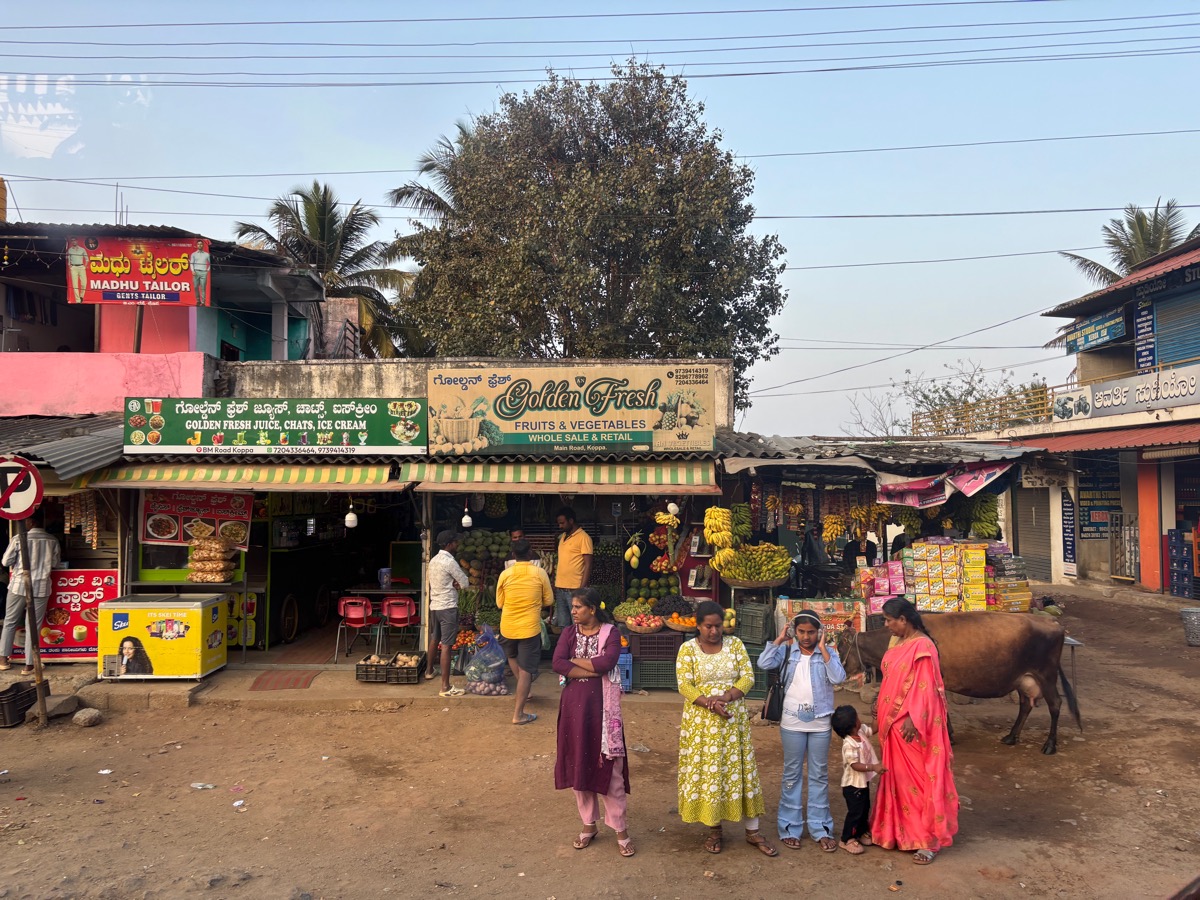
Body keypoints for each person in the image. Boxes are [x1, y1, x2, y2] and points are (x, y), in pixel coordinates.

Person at [676, 600, 776, 857]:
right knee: (712, 773)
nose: (714, 631)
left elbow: (748, 677)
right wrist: (709, 703)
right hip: (702, 725)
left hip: (733, 722)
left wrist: (728, 697)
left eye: (718, 626)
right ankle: (714, 830)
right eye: (708, 626)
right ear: (698, 626)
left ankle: (753, 831)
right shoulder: (687, 650)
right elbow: (685, 685)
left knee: (740, 770)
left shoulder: (736, 645)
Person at [872, 597, 959, 865]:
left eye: (889, 620)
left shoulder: (923, 646)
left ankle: (927, 840)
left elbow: (927, 688)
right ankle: (896, 833)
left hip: (912, 726)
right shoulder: (898, 643)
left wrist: (911, 718)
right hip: (891, 726)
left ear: (904, 620)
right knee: (896, 779)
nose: (886, 625)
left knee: (920, 781)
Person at [756, 610, 847, 851]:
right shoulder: (787, 652)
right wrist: (779, 639)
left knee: (819, 775)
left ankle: (821, 828)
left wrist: (825, 649)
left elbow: (838, 678)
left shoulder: (829, 654)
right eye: (801, 632)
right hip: (791, 723)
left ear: (819, 632)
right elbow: (763, 663)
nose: (806, 637)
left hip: (820, 724)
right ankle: (789, 826)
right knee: (791, 774)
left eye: (811, 632)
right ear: (794, 632)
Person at [552, 588, 634, 857]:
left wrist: (575, 663)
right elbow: (557, 663)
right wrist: (589, 667)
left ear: (592, 609)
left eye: (578, 607)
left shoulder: (611, 632)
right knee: (579, 765)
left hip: (603, 709)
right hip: (575, 708)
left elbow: (608, 662)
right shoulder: (568, 633)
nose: (573, 611)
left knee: (610, 768)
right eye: (573, 607)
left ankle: (620, 829)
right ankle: (588, 825)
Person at [496, 538, 553, 725]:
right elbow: (549, 601)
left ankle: (525, 690)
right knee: (526, 670)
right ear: (530, 554)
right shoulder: (540, 573)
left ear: (513, 555)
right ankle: (518, 714)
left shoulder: (505, 574)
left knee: (512, 657)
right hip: (529, 627)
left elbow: (499, 603)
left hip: (508, 627)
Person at [0, 509, 62, 674]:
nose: (24, 524)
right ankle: (29, 665)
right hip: (41, 587)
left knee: (10, 621)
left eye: (26, 521)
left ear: (31, 522)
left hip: (19, 584)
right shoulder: (52, 540)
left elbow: (6, 561)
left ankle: (3, 660)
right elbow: (55, 563)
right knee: (33, 625)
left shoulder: (19, 538)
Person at [832, 704, 885, 855]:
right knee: (855, 812)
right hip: (852, 786)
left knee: (864, 808)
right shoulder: (849, 744)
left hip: (862, 783)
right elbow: (854, 765)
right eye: (857, 717)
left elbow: (874, 729)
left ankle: (861, 833)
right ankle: (847, 838)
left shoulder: (860, 732)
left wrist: (876, 716)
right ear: (854, 723)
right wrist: (873, 767)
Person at [426, 529, 470, 697]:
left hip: (435, 606)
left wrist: (451, 583)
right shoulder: (450, 562)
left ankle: (429, 671)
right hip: (448, 607)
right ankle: (445, 687)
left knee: (434, 638)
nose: (457, 545)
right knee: (447, 645)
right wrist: (456, 584)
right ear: (450, 544)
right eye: (455, 542)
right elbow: (465, 583)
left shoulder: (433, 561)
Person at [553, 507, 592, 628]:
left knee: (578, 624)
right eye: (559, 523)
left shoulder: (584, 538)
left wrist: (582, 589)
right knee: (564, 626)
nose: (560, 526)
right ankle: (567, 647)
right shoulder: (562, 538)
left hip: (574, 590)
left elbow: (588, 564)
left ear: (571, 521)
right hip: (560, 589)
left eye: (562, 523)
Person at [66, 237, 90, 303]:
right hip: (74, 267)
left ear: (77, 241)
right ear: (71, 242)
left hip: (81, 267)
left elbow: (87, 259)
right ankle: (78, 300)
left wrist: (85, 266)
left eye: (75, 240)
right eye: (72, 241)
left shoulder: (82, 249)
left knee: (84, 284)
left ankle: (81, 296)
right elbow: (68, 259)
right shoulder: (70, 250)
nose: (73, 242)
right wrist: (70, 266)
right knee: (75, 285)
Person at [190, 240, 211, 304]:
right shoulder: (193, 254)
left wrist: (207, 270)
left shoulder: (207, 254)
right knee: (196, 287)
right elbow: (191, 263)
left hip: (203, 272)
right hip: (196, 272)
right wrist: (193, 270)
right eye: (198, 244)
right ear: (196, 245)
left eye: (201, 244)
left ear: (203, 245)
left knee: (203, 288)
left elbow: (210, 263)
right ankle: (198, 300)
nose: (200, 245)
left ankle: (203, 302)